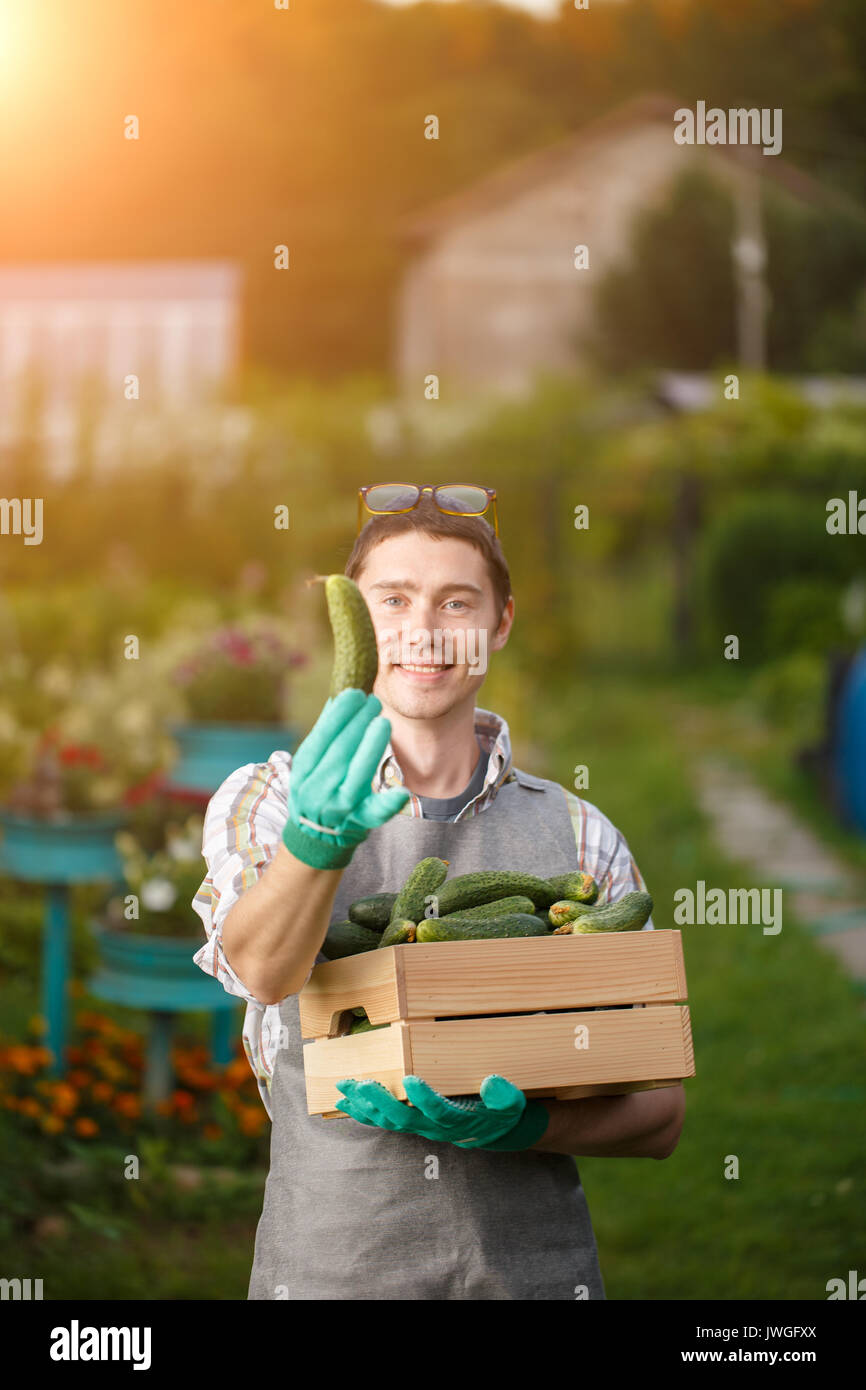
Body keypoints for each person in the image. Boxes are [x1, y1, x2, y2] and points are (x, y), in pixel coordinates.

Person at [192, 483, 685, 1301]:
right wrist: (318, 841)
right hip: (331, 1273)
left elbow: (660, 1114)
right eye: (393, 600)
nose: (423, 630)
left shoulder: (582, 834)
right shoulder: (267, 800)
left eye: (457, 602)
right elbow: (264, 971)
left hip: (532, 1276)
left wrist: (526, 1124)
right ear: (355, 622)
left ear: (500, 626)